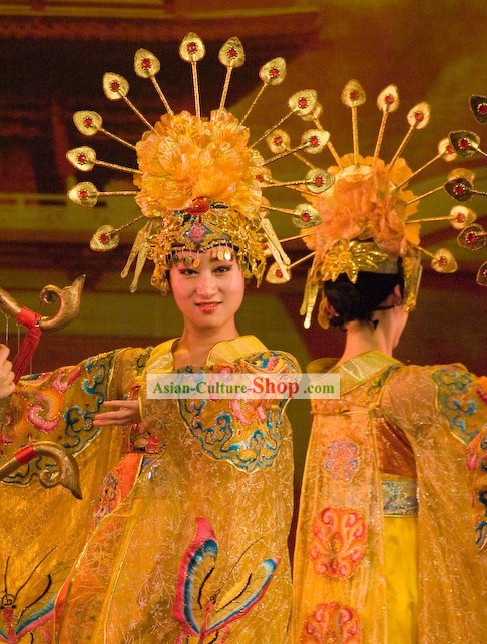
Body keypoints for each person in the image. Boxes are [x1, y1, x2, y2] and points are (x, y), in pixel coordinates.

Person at [0, 36, 306, 642]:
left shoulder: (274, 365)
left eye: (221, 267)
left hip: (216, 592)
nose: (206, 287)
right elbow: (46, 410)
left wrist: (166, 404)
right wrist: (7, 391)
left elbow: (263, 396)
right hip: (123, 581)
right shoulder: (135, 365)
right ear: (166, 278)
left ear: (246, 270)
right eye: (188, 270)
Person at [287, 80, 487, 643]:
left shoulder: (319, 384)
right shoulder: (413, 389)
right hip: (394, 574)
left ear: (328, 303)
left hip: (320, 584)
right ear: (400, 296)